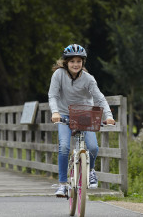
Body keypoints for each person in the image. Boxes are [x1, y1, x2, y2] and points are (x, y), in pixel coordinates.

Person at [48, 44, 115, 197]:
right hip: (65, 114)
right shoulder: (58, 75)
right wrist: (55, 112)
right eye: (72, 61)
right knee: (64, 147)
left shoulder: (88, 79)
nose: (75, 64)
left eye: (79, 61)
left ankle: (90, 170)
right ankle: (63, 184)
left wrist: (109, 116)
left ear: (83, 63)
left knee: (92, 147)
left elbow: (100, 98)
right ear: (66, 62)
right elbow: (53, 96)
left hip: (85, 114)